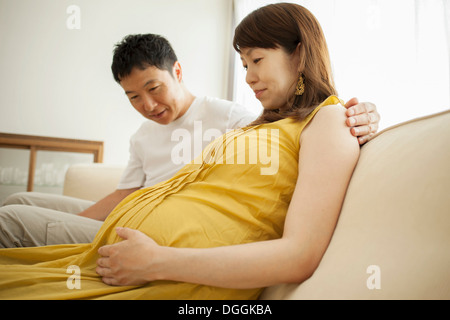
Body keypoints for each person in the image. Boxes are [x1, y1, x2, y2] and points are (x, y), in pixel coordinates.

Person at [1, 2, 366, 299]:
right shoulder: (268, 124)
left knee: (10, 228)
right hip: (133, 248)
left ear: (299, 54)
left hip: (157, 266)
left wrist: (157, 261)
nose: (249, 77)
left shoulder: (330, 120)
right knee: (17, 215)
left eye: (257, 60)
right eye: (244, 65)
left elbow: (300, 255)